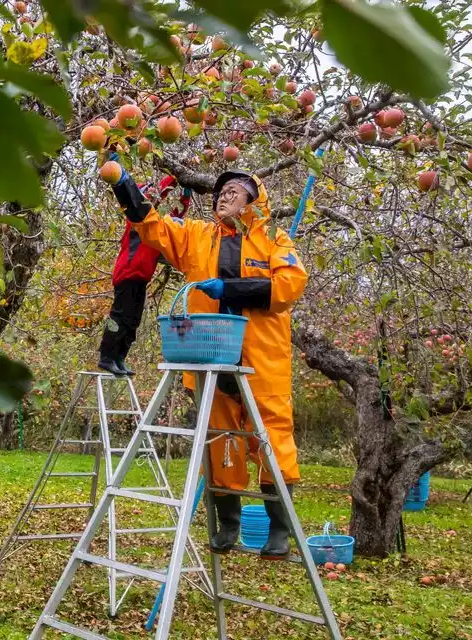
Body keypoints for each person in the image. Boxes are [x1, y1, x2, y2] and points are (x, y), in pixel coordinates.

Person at [103, 159, 308, 560]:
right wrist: (123, 185)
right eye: (219, 193)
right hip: (210, 355)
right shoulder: (199, 236)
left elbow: (289, 286)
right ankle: (227, 521)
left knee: (273, 439)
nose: (223, 198)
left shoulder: (275, 241)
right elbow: (156, 227)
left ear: (253, 201)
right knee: (220, 441)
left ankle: (279, 528)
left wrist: (231, 288)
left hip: (261, 359)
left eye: (233, 193)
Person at [97, 169, 192, 376]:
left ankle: (120, 357)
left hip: (140, 278)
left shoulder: (155, 227)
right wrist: (176, 175)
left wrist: (186, 194)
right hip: (127, 273)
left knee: (132, 321)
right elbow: (153, 195)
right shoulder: (136, 219)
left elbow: (176, 216)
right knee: (120, 316)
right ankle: (107, 357)